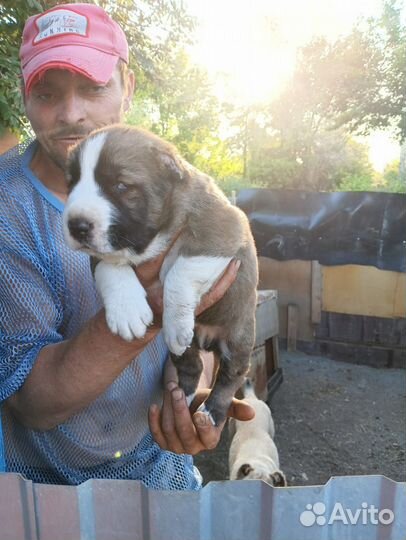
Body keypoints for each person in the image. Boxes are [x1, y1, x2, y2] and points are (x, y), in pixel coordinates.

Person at [0, 3, 254, 489]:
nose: (71, 114)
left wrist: (186, 396)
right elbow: (34, 403)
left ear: (127, 87)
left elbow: (201, 325)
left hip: (158, 471)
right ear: (24, 96)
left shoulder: (166, 180)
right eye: (47, 93)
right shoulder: (8, 213)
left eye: (93, 87)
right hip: (42, 490)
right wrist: (157, 306)